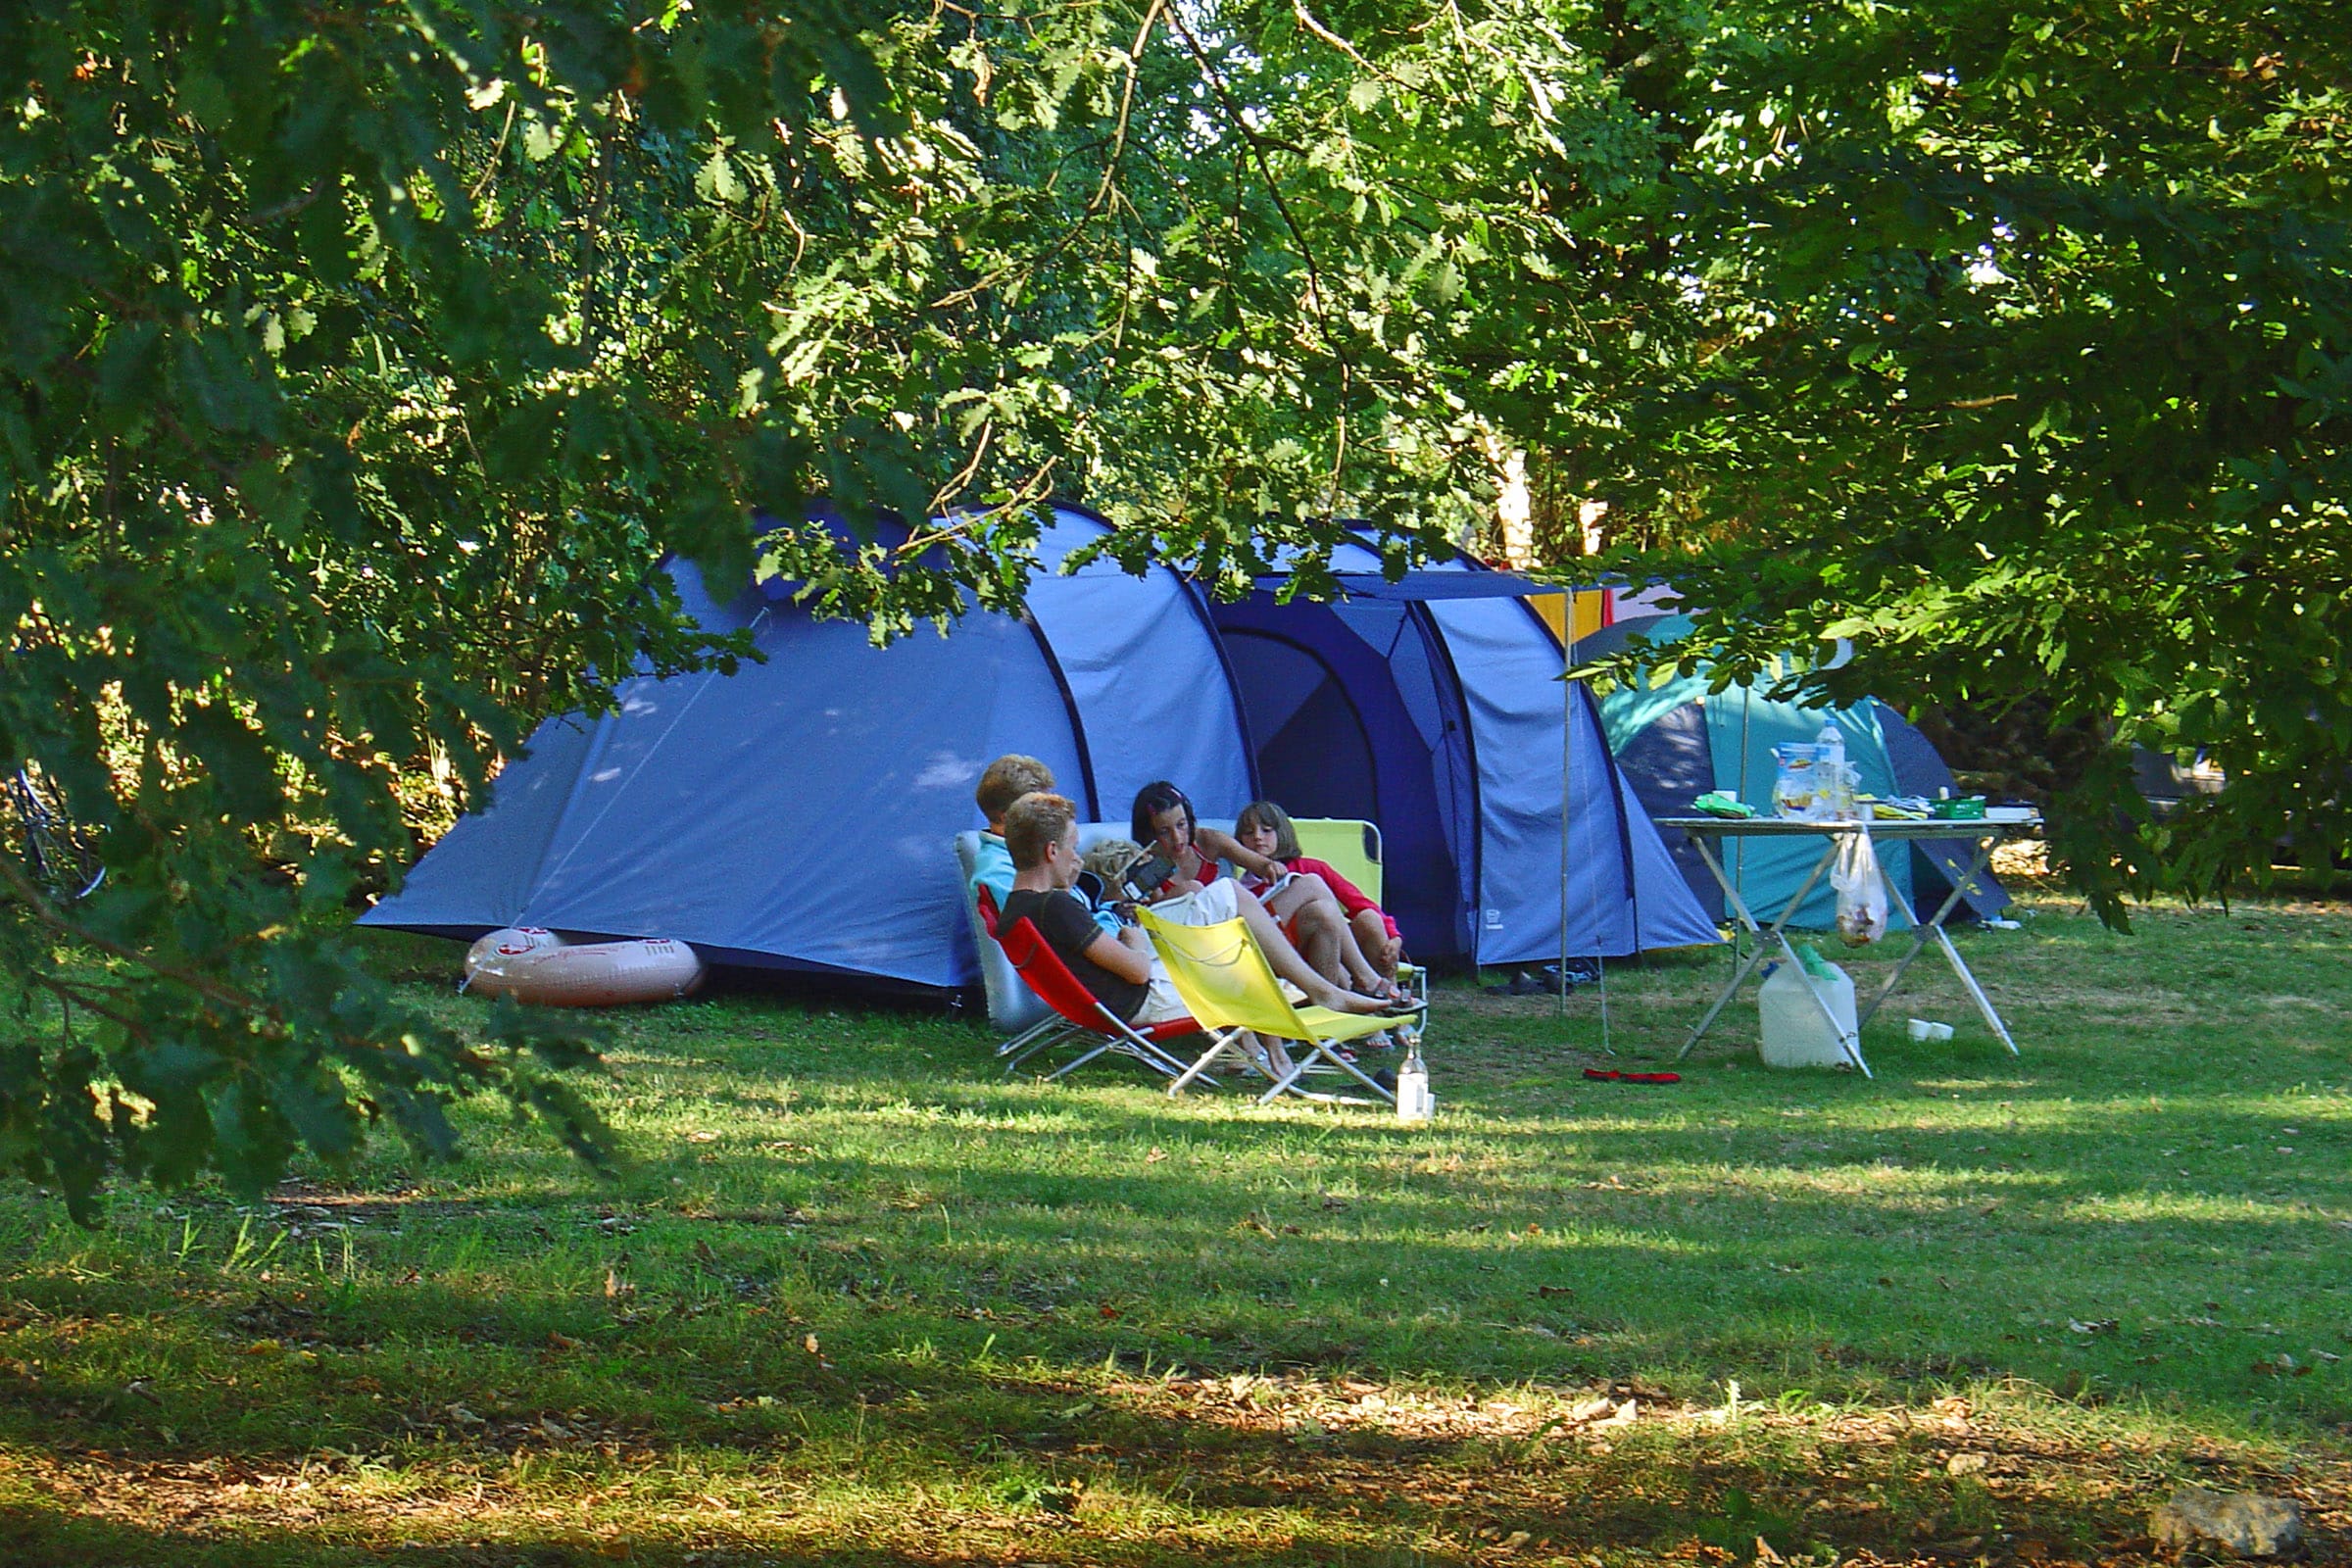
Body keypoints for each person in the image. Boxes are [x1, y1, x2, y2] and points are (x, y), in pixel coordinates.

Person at [1000, 794, 1396, 1049]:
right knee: (1231, 924)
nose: (1078, 858)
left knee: (1226, 902)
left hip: (1128, 992)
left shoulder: (1018, 907)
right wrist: (1134, 939)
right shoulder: (1055, 907)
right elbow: (1136, 971)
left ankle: (1298, 1019)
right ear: (1051, 851)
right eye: (1071, 848)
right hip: (1146, 997)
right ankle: (1319, 994)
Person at [1129, 780, 1399, 1001]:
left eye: (1181, 825)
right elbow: (1153, 919)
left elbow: (1256, 863)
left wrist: (1270, 868)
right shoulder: (1145, 862)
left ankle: (1349, 991)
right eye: (1164, 831)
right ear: (1149, 832)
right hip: (1199, 946)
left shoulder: (1206, 841)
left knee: (1321, 903)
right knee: (1197, 889)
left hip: (1238, 931)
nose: (1177, 838)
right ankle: (1362, 980)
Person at [1235, 799, 1404, 979]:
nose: (1257, 837)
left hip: (1333, 949)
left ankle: (1387, 994)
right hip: (1285, 955)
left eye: (1266, 830)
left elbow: (1361, 904)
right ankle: (1364, 986)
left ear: (1282, 833)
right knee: (1321, 910)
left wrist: (1395, 937)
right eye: (1248, 832)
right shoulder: (1242, 889)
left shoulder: (1312, 868)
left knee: (1369, 918)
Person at [966, 755, 1116, 935]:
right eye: (1040, 810)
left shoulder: (1029, 851)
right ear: (1009, 817)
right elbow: (1061, 935)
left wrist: (1115, 910)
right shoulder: (998, 873)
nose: (1052, 815)